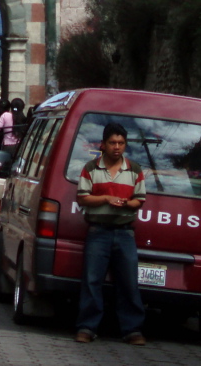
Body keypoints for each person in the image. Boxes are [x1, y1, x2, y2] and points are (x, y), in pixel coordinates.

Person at [74, 122, 147, 346]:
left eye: (121, 143)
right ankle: (87, 327)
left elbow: (140, 200)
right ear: (103, 145)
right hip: (98, 232)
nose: (117, 147)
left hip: (125, 234)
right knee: (92, 280)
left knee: (128, 282)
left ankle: (132, 330)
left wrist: (127, 204)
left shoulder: (134, 170)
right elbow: (82, 197)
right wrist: (106, 199)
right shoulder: (90, 168)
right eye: (113, 143)